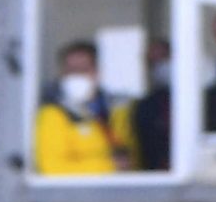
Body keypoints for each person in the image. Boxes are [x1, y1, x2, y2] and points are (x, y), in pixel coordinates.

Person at [34, 40, 132, 176]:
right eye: (71, 70)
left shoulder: (117, 110)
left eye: (83, 69)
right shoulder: (53, 114)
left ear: (98, 72)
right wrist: (109, 166)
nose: (77, 75)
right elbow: (52, 168)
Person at [124, 35, 173, 172]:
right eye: (152, 62)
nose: (159, 67)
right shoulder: (144, 107)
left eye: (164, 58)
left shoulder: (199, 100)